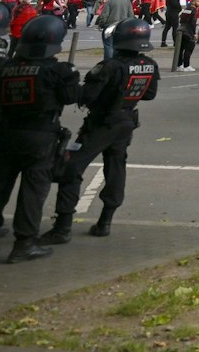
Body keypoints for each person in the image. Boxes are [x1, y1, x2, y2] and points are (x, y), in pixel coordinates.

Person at [0, 14, 81, 263]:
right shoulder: (58, 71)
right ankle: (24, 243)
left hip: (3, 134)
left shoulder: (2, 68)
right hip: (40, 137)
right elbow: (71, 97)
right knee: (33, 191)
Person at [43, 16, 160, 243]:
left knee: (71, 168)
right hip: (126, 122)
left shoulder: (110, 66)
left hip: (102, 123)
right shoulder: (149, 65)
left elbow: (87, 96)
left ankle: (62, 227)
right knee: (116, 169)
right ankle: (105, 221)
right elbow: (149, 94)